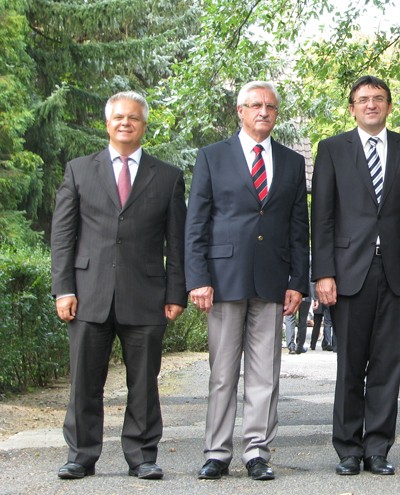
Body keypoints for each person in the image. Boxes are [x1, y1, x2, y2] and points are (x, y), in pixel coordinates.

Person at [50, 91, 186, 480]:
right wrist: (63, 289)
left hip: (146, 295)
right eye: (119, 118)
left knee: (143, 383)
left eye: (134, 118)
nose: (125, 123)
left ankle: (142, 456)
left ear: (144, 126)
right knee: (84, 383)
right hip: (88, 293)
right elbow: (63, 237)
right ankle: (81, 455)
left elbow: (175, 242)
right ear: (107, 124)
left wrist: (176, 292)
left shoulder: (168, 176)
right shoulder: (79, 170)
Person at [185, 81, 309, 481]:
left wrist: (298, 281)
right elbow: (196, 224)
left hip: (273, 281)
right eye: (255, 105)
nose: (263, 112)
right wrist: (198, 278)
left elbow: (297, 227)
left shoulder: (291, 162)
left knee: (265, 373)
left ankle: (257, 450)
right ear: (240, 111)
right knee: (222, 372)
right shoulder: (212, 157)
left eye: (270, 107)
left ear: (277, 113)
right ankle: (217, 452)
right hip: (223, 279)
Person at [311, 75, 400, 476]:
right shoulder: (331, 150)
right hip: (347, 274)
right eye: (363, 99)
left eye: (378, 99)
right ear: (352, 108)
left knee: (386, 364)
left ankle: (377, 448)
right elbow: (322, 217)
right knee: (349, 363)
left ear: (389, 106)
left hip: (395, 272)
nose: (371, 105)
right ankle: (347, 449)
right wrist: (323, 272)